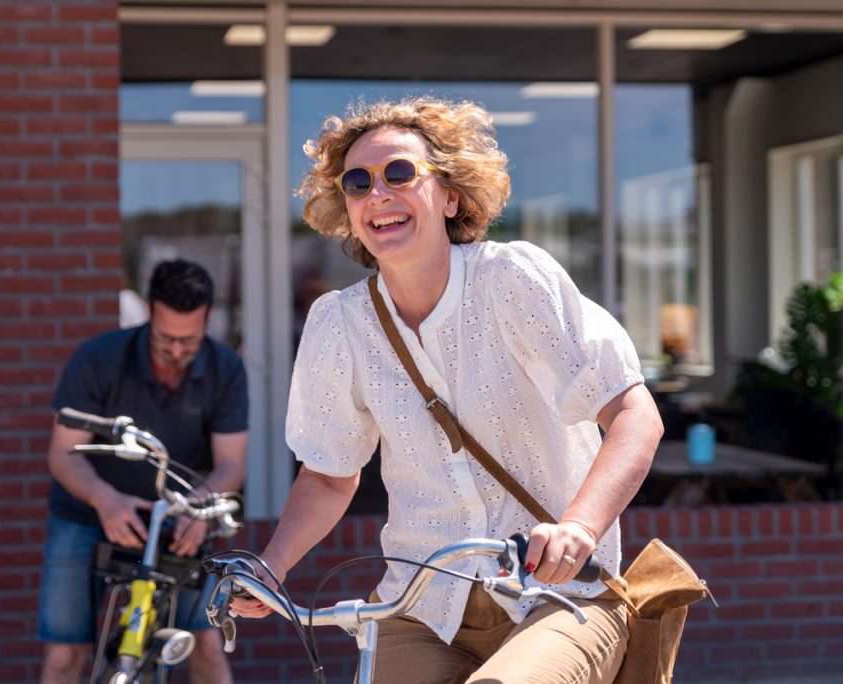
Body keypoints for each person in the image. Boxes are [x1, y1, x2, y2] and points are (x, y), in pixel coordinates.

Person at [231, 97, 664, 683]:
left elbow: (634, 413)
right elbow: (330, 476)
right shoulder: (340, 324)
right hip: (421, 607)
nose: (378, 194)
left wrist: (579, 529)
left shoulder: (510, 280)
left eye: (400, 174)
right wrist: (272, 566)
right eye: (357, 183)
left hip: (558, 595)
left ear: (451, 195)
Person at [38, 259, 248, 684]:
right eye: (166, 338)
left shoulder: (226, 369)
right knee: (65, 653)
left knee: (205, 643)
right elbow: (62, 454)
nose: (175, 351)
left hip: (173, 520)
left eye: (189, 341)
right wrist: (104, 499)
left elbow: (232, 464)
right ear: (149, 313)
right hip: (86, 514)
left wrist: (197, 506)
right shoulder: (98, 358)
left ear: (208, 319)